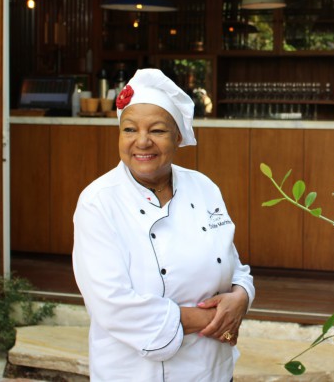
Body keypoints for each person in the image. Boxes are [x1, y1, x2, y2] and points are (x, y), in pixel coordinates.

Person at [72, 68, 254, 381]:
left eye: (157, 131)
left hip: (211, 369)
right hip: (138, 372)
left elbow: (234, 265)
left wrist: (241, 298)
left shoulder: (204, 187)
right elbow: (114, 306)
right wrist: (215, 321)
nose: (141, 142)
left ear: (178, 136)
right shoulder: (98, 202)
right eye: (129, 130)